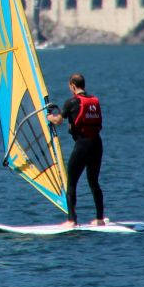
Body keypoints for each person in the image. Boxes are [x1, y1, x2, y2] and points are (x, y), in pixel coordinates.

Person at [47, 72, 104, 226]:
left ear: (72, 85)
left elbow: (58, 120)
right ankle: (100, 219)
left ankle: (71, 220)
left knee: (71, 182)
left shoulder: (71, 102)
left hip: (82, 146)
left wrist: (49, 117)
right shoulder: (94, 101)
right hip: (97, 144)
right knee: (94, 182)